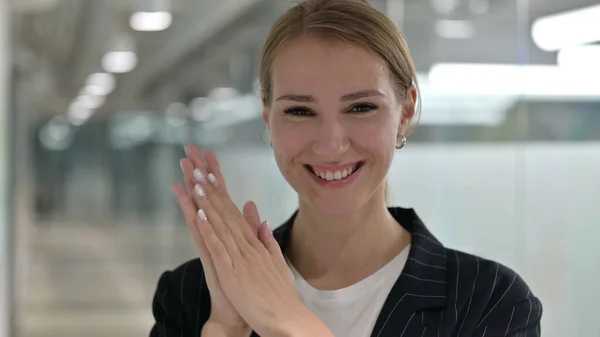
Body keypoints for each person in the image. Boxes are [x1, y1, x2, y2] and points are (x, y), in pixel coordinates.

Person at [149, 0, 542, 336]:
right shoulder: (193, 295)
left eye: (360, 108)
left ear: (405, 112)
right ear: (268, 118)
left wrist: (294, 323)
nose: (332, 145)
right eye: (300, 111)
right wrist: (226, 329)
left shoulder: (490, 302)